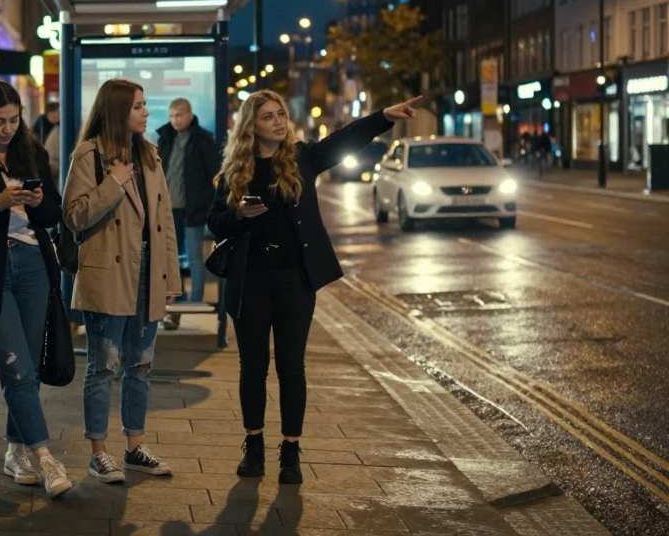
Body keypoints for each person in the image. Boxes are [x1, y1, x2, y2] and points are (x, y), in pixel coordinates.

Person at [208, 90, 420, 484]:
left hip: (294, 281)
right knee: (252, 367)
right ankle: (253, 446)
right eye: (268, 116)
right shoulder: (236, 169)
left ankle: (291, 451)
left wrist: (382, 118)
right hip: (250, 280)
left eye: (281, 114)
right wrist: (238, 213)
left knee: (292, 368)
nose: (277, 121)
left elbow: (343, 141)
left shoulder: (302, 158)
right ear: (251, 126)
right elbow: (215, 222)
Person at [0, 82, 72, 498]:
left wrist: (37, 202)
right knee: (16, 365)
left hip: (34, 265)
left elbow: (54, 212)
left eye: (13, 119)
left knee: (28, 369)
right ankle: (45, 458)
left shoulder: (32, 152)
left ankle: (15, 449)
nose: (7, 128)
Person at [63, 78, 181, 485]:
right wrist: (112, 182)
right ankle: (99, 453)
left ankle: (135, 447)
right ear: (117, 111)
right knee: (103, 366)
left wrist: (171, 277)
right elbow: (75, 215)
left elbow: (163, 222)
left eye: (145, 105)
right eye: (138, 106)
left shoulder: (150, 155)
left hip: (148, 271)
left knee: (140, 365)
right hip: (109, 273)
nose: (147, 112)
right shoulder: (88, 155)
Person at [155, 99, 220, 330]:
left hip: (193, 209)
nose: (175, 120)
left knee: (194, 258)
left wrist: (206, 203)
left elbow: (213, 174)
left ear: (190, 115)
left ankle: (195, 304)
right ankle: (173, 308)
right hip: (169, 209)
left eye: (179, 115)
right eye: (172, 115)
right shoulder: (165, 138)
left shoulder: (203, 139)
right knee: (169, 260)